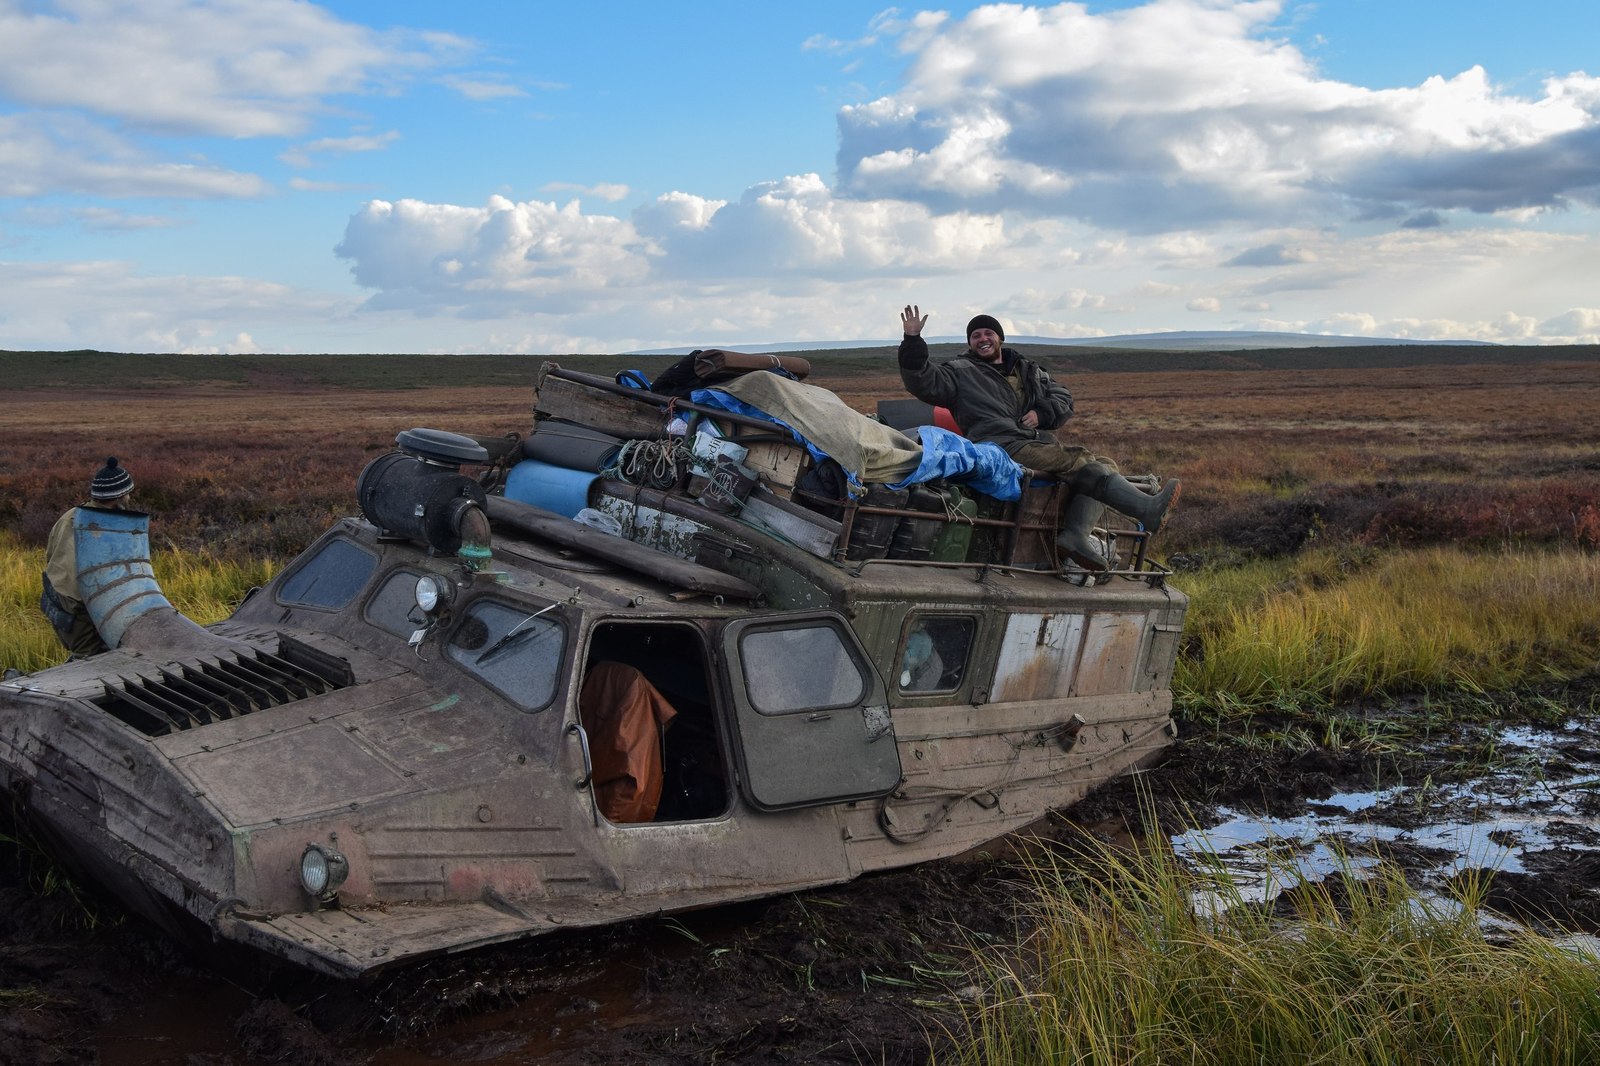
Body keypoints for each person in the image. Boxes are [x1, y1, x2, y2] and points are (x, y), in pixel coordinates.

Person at [897, 306, 1178, 569]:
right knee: (1081, 460)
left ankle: (1075, 536)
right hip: (1000, 444)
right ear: (970, 343)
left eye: (988, 333)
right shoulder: (960, 372)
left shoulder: (1028, 370)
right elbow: (923, 379)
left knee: (1103, 463)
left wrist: (1042, 413)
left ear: (999, 338)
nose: (982, 339)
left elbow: (1063, 396)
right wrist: (912, 340)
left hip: (1031, 441)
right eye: (975, 335)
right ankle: (1145, 511)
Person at [40, 456, 136, 656]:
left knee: (87, 655)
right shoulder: (109, 528)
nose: (129, 498)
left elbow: (50, 555)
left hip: (53, 598)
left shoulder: (69, 516)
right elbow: (117, 580)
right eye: (128, 494)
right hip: (77, 609)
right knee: (92, 664)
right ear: (119, 497)